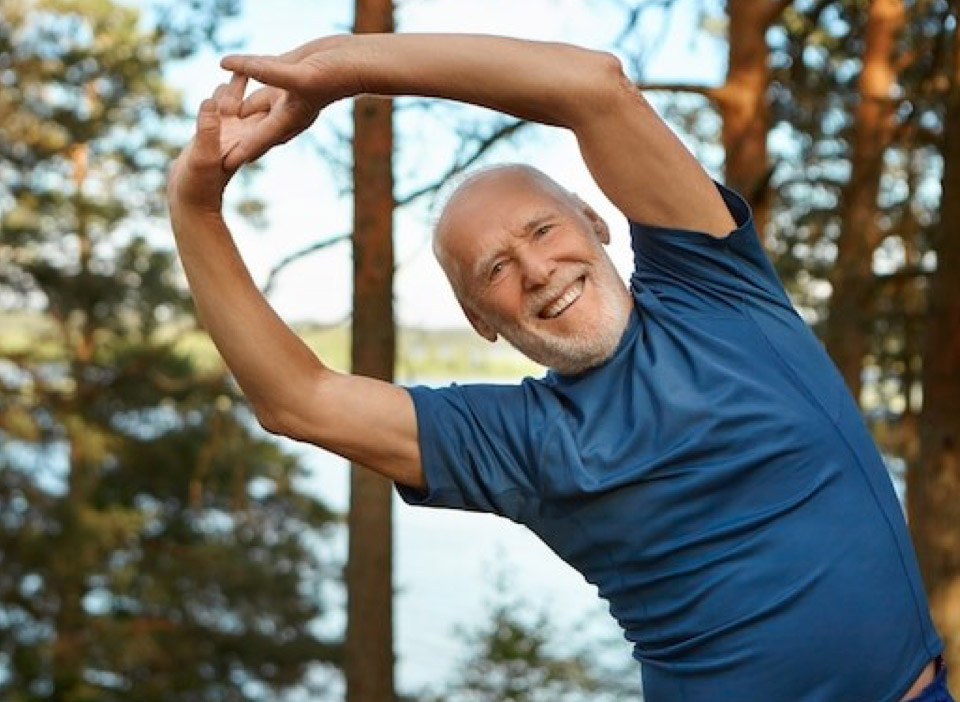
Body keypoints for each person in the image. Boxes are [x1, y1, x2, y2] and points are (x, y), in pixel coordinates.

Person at [167, 33, 951, 702]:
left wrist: (340, 67)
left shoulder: (716, 292)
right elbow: (297, 399)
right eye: (494, 270)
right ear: (482, 322)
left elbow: (592, 87)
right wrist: (194, 205)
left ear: (599, 223)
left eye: (543, 229)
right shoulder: (518, 442)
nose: (537, 269)